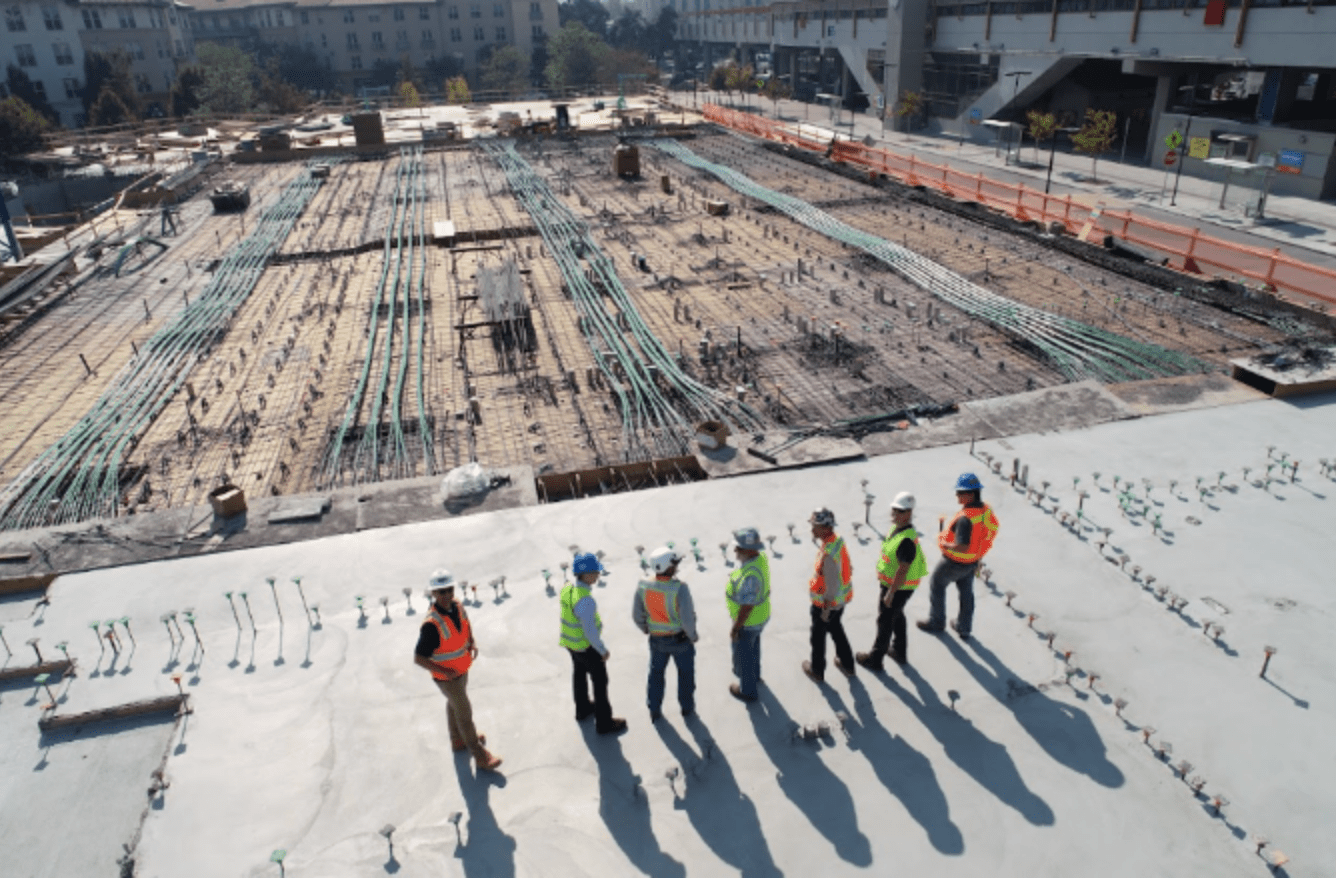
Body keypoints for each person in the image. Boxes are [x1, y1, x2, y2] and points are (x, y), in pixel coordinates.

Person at [413, 569, 502, 771]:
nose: (446, 595)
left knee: (454, 704)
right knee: (465, 713)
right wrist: (445, 672)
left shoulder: (458, 606)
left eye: (449, 590)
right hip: (447, 678)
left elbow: (465, 626)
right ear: (433, 594)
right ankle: (479, 755)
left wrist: (472, 642)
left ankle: (457, 740)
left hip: (462, 669)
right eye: (441, 591)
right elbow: (419, 658)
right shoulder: (431, 624)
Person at [918, 473, 1000, 640]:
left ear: (969, 495)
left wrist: (943, 542)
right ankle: (964, 628)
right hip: (972, 561)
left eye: (959, 493)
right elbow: (991, 530)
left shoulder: (965, 519)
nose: (957, 496)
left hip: (953, 562)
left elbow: (962, 546)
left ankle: (936, 621)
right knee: (966, 595)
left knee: (937, 585)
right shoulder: (985, 511)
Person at [858, 492, 927, 669]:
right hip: (894, 584)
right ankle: (899, 650)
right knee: (897, 615)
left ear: (909, 513)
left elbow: (902, 570)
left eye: (900, 511)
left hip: (898, 587)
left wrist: (890, 593)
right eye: (894, 510)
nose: (895, 514)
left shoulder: (906, 541)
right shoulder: (897, 529)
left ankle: (875, 659)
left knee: (885, 621)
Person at [560, 552, 627, 735]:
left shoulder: (567, 588)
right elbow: (590, 631)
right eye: (595, 572)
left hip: (570, 643)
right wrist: (602, 650)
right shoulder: (585, 600)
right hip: (586, 647)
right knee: (600, 682)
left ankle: (582, 709)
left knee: (579, 674)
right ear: (585, 574)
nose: (598, 575)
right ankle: (604, 723)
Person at [633, 546, 699, 721]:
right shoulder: (680, 588)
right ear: (668, 568)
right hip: (680, 640)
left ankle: (654, 709)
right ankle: (687, 708)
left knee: (656, 674)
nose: (677, 567)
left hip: (656, 640)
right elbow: (687, 619)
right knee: (685, 674)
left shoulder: (643, 585)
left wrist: (645, 628)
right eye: (675, 564)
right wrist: (693, 636)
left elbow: (637, 614)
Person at [803, 507, 855, 682]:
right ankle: (848, 664)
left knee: (817, 638)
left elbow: (830, 588)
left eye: (815, 526)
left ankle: (817, 670)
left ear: (825, 528)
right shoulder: (837, 541)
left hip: (826, 606)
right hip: (840, 602)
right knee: (836, 630)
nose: (812, 529)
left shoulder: (828, 555)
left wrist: (824, 613)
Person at [726, 527, 770, 702]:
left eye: (739, 548)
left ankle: (748, 691)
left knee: (744, 656)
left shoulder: (750, 576)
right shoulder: (760, 558)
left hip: (749, 622)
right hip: (760, 618)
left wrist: (736, 627)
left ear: (750, 550)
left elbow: (747, 606)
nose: (735, 551)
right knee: (753, 649)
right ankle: (755, 676)